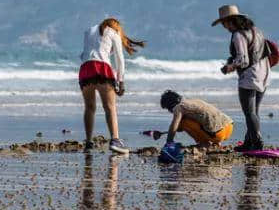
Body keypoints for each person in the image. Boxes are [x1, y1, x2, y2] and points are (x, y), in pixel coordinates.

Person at [79, 18, 144, 154]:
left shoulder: (89, 31)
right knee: (110, 107)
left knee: (89, 107)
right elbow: (120, 59)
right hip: (102, 68)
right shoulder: (113, 32)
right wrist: (121, 81)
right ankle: (115, 140)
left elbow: (84, 54)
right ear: (116, 26)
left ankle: (89, 142)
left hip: (85, 68)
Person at [212, 5, 269, 152]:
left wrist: (228, 67)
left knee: (249, 112)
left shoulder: (238, 35)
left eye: (224, 24)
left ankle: (257, 142)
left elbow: (242, 60)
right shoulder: (256, 31)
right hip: (265, 73)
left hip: (250, 75)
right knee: (254, 112)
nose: (225, 28)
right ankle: (249, 141)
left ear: (230, 21)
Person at [160, 90, 233, 147]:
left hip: (218, 134)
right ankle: (217, 143)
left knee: (182, 122)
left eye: (167, 108)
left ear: (170, 104)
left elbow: (174, 126)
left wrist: (168, 142)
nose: (169, 111)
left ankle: (204, 143)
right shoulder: (193, 102)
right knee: (185, 122)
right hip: (228, 127)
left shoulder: (179, 107)